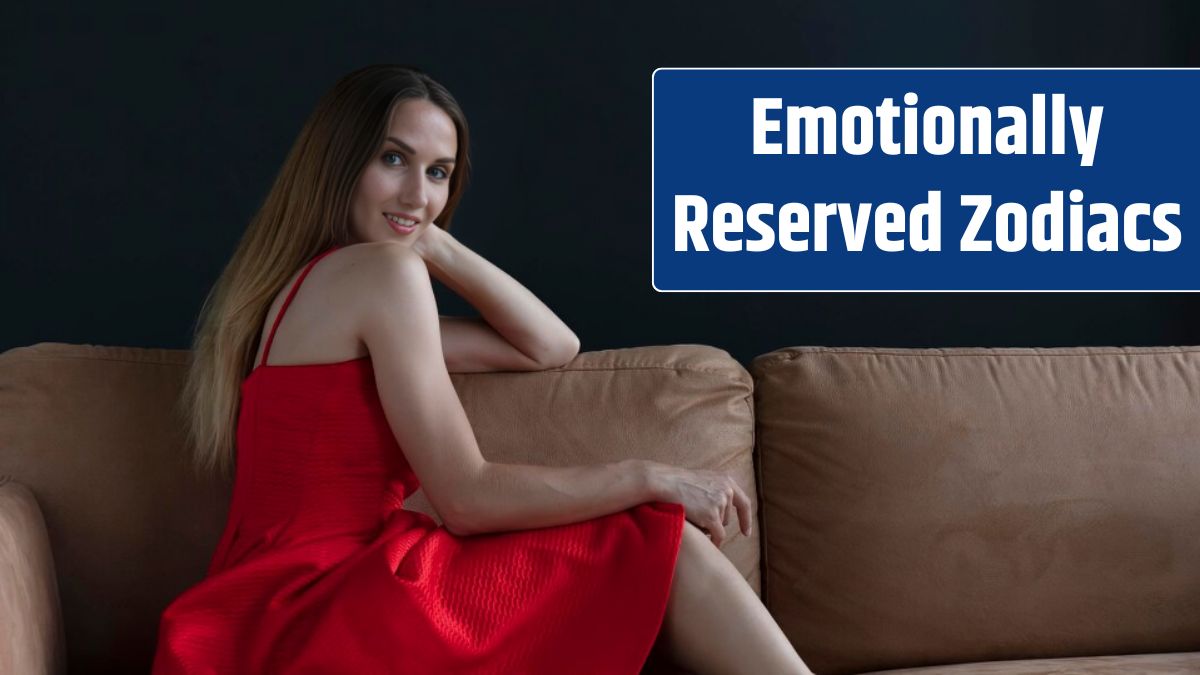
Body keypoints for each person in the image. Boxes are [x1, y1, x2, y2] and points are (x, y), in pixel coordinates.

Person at [152, 64, 814, 674]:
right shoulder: (380, 276)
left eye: (439, 173)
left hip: (268, 612)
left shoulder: (305, 290)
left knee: (653, 550)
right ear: (338, 165)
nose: (419, 190)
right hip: (329, 605)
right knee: (661, 547)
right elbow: (466, 498)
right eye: (393, 160)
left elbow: (550, 344)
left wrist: (426, 232)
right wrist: (651, 475)